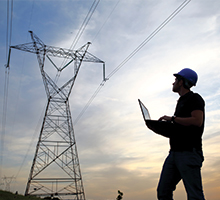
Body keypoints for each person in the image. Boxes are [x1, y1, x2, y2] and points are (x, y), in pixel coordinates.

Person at [147, 68, 206, 200]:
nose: (173, 83)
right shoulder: (181, 101)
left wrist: (172, 119)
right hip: (174, 153)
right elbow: (180, 129)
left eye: (175, 80)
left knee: (194, 195)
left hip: (189, 153)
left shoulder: (194, 98)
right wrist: (159, 127)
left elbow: (197, 121)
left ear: (181, 82)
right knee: (163, 192)